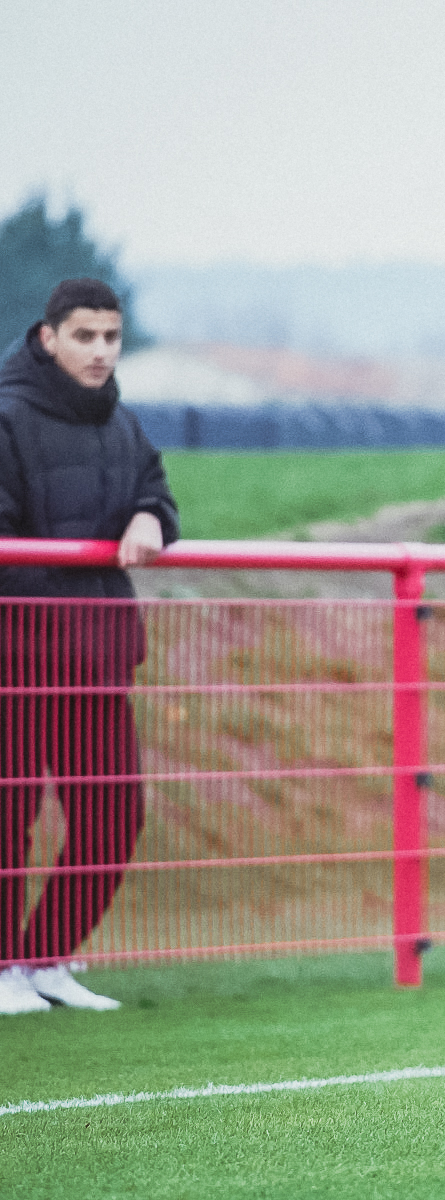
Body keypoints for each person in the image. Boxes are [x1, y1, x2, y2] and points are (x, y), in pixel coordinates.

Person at [0, 278, 178, 1015]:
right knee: (10, 817)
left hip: (99, 659)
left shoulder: (124, 424)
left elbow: (157, 491)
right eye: (85, 336)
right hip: (15, 657)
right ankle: (3, 969)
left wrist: (150, 518)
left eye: (111, 337)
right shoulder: (6, 417)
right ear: (48, 338)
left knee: (113, 815)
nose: (101, 351)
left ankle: (46, 960)